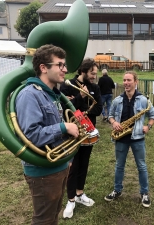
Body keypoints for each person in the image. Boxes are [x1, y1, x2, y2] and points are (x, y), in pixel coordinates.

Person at [15, 44, 79, 224]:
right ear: (43, 68)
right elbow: (31, 135)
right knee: (44, 219)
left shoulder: (51, 95)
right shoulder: (29, 95)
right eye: (60, 65)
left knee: (53, 215)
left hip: (57, 165)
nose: (65, 69)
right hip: (42, 170)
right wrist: (64, 128)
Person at [104, 71, 154, 207]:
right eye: (124, 80)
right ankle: (117, 190)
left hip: (138, 137)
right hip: (121, 137)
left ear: (135, 82)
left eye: (129, 80)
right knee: (119, 166)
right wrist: (113, 122)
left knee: (141, 166)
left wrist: (148, 126)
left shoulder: (144, 100)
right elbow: (110, 115)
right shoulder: (117, 100)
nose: (126, 83)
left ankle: (144, 193)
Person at [59, 58, 102, 219]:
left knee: (84, 164)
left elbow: (98, 109)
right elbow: (65, 108)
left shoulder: (95, 87)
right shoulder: (67, 85)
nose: (94, 77)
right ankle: (70, 200)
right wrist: (81, 98)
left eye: (95, 74)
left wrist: (78, 104)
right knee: (73, 166)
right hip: (72, 132)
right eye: (92, 73)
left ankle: (79, 193)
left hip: (89, 131)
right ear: (83, 71)